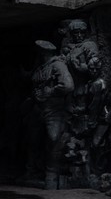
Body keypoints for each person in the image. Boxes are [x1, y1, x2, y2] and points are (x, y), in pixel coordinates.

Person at [30, 40, 74, 189]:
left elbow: (68, 85)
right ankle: (31, 170)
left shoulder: (57, 65)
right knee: (32, 139)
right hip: (38, 109)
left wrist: (51, 91)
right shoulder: (40, 68)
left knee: (54, 139)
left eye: (41, 53)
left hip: (54, 110)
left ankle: (52, 175)